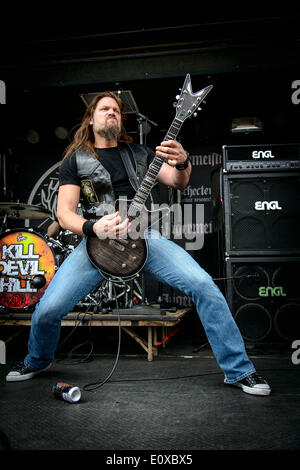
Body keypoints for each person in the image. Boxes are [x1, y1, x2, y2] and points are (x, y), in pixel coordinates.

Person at [6, 91, 271, 396]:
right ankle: (37, 360)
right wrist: (93, 226)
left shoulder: (142, 154)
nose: (111, 113)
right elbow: (64, 214)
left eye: (116, 110)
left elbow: (178, 181)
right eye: (104, 109)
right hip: (96, 245)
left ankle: (239, 370)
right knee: (47, 310)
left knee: (203, 285)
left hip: (144, 237)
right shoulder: (75, 160)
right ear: (91, 119)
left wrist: (183, 162)